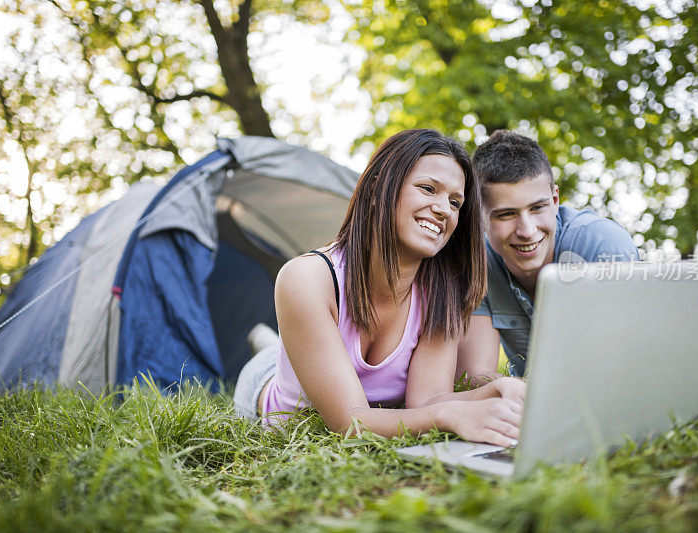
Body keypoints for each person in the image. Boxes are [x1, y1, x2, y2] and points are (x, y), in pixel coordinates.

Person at [234, 129, 525, 447]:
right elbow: (349, 422)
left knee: (286, 350)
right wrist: (448, 416)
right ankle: (267, 345)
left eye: (455, 202)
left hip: (320, 353)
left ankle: (273, 344)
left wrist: (499, 390)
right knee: (268, 360)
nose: (444, 209)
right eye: (428, 189)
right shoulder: (306, 279)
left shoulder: (442, 294)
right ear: (376, 188)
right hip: (262, 391)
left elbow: (426, 402)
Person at [457, 131, 639, 380]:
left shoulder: (602, 245)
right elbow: (476, 378)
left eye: (537, 208)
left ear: (555, 199)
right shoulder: (477, 263)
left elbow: (631, 363)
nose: (527, 231)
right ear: (479, 216)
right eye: (507, 214)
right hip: (532, 406)